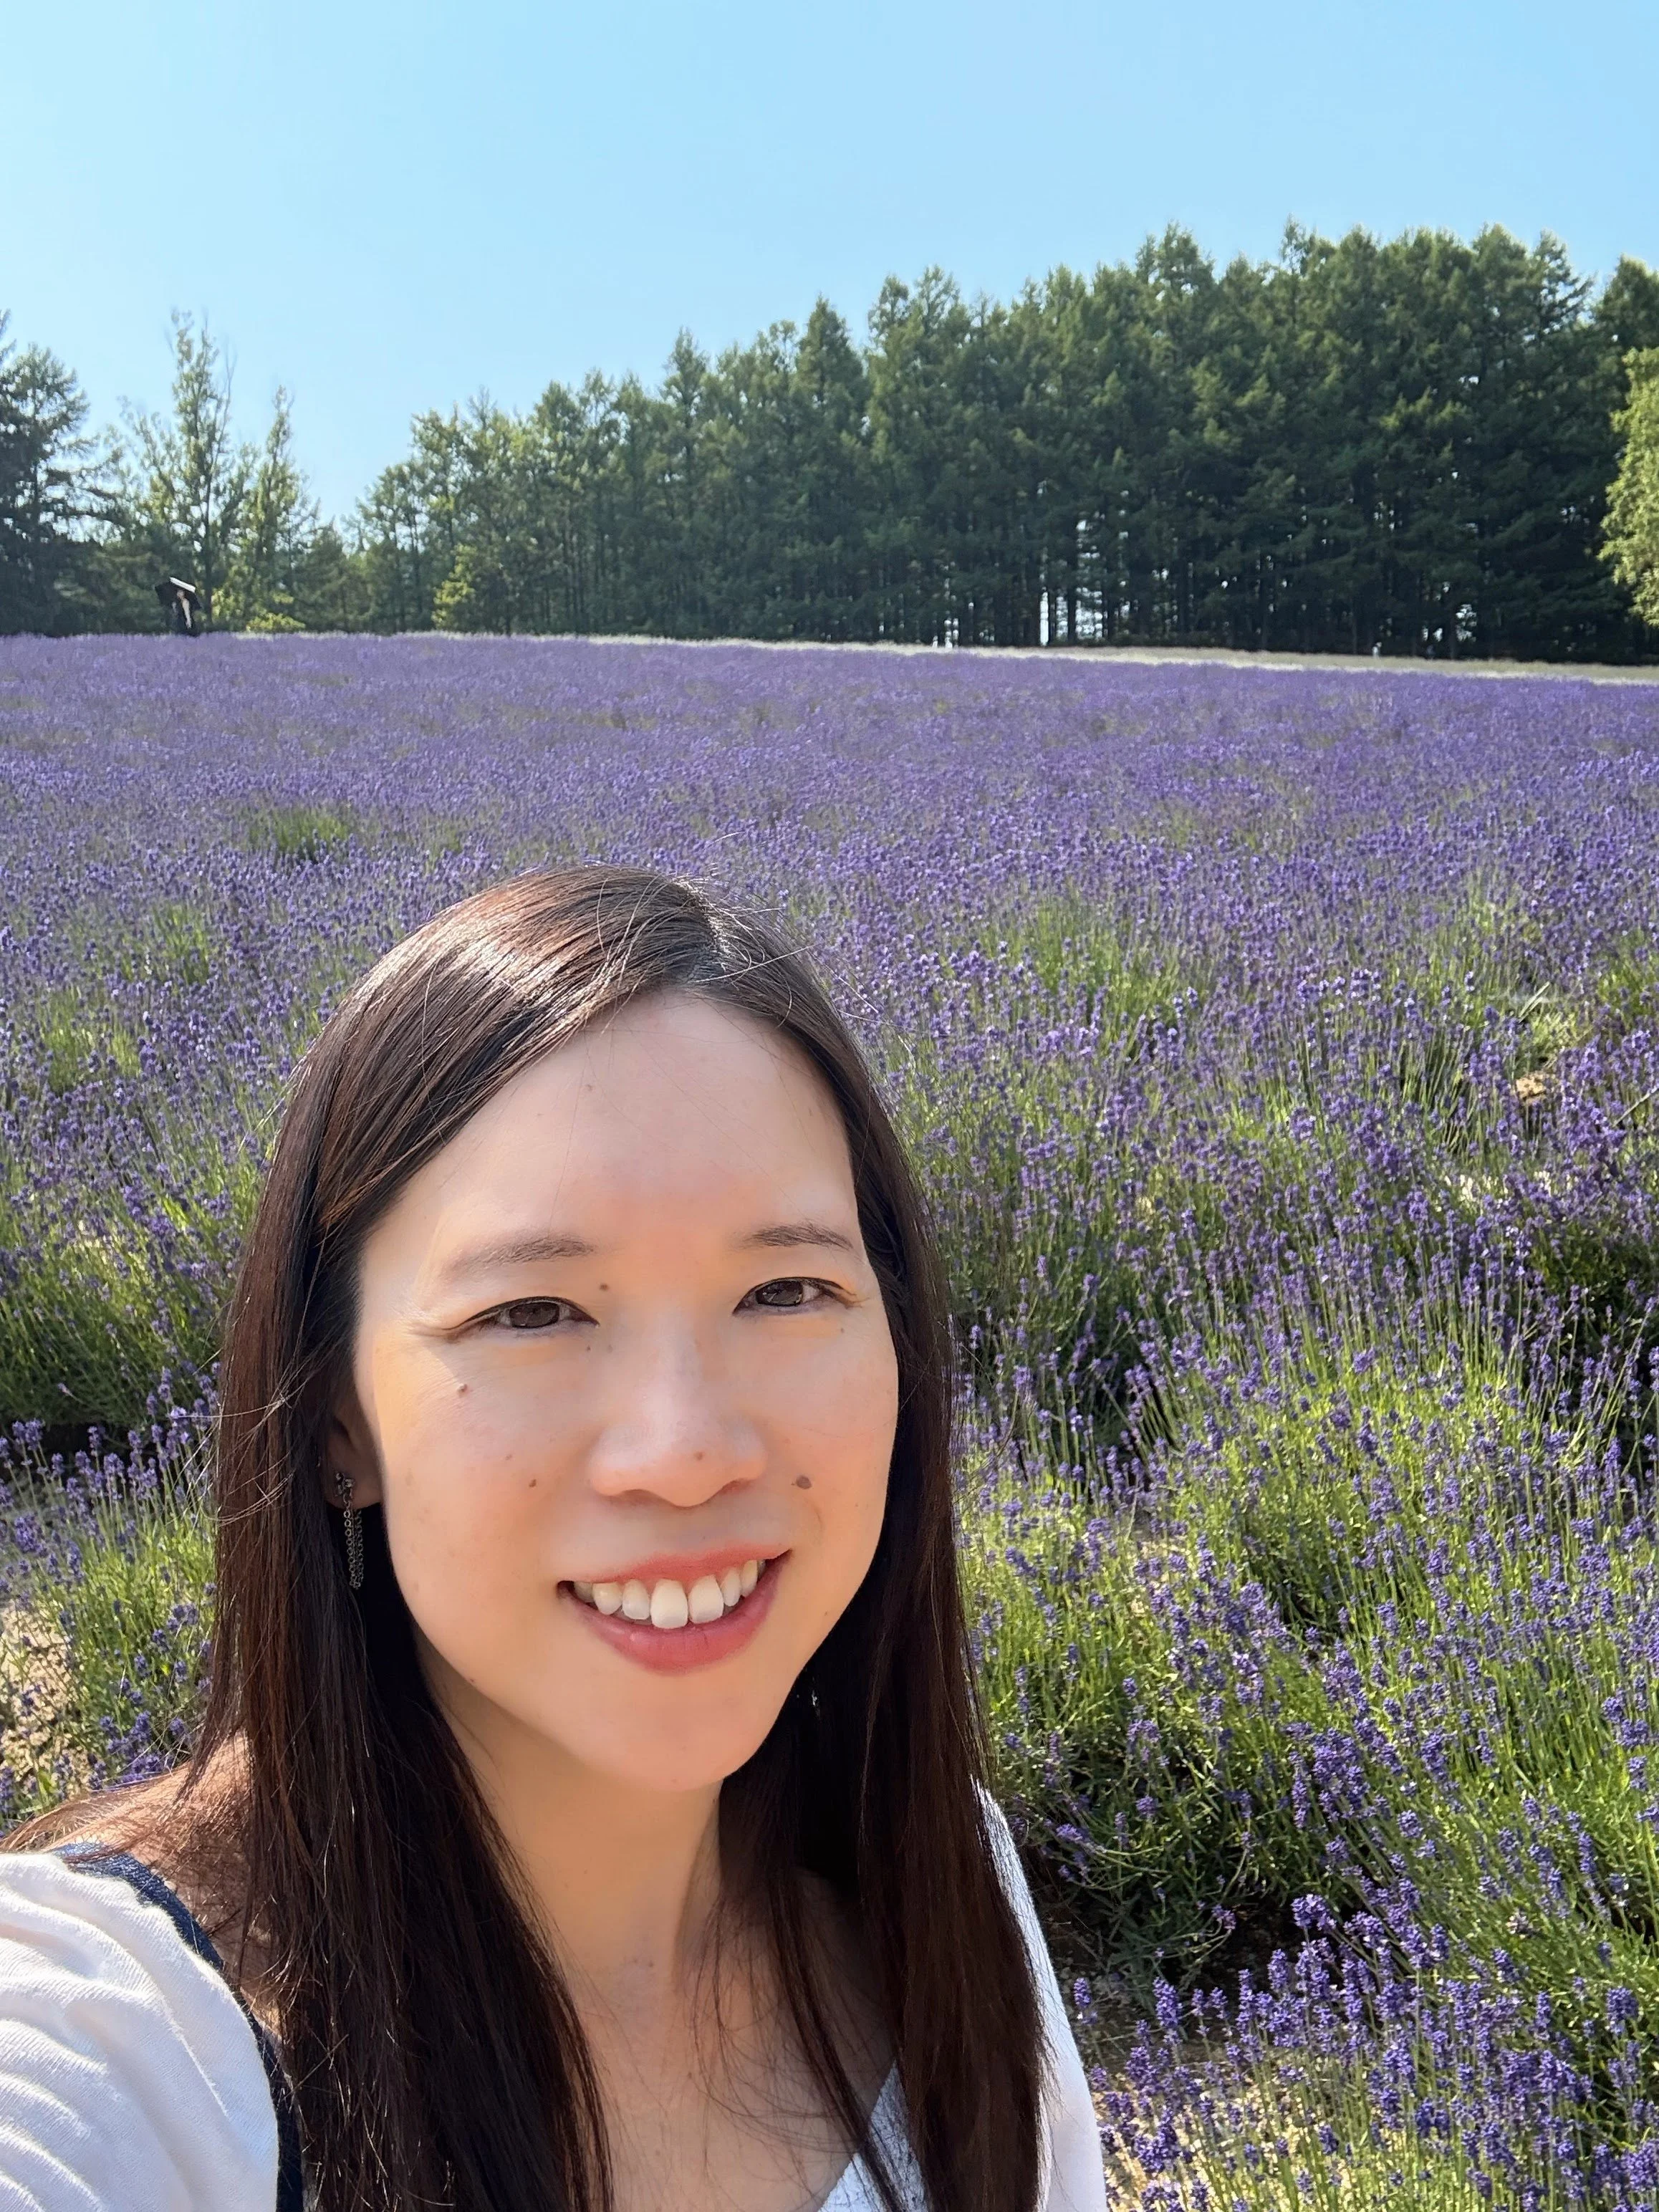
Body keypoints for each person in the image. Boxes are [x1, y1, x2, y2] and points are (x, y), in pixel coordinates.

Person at [0, 867, 1105, 2212]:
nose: (688, 1450)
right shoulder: (117, 2053)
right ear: (337, 1420)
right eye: (533, 1313)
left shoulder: (941, 1897)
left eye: (787, 1289)